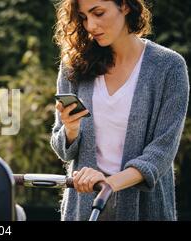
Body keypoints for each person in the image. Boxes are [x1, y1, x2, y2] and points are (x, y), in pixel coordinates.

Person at [50, 0, 189, 221]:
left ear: (124, 6)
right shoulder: (74, 65)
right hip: (83, 208)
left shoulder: (169, 67)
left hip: (144, 208)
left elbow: (162, 151)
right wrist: (71, 129)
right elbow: (63, 151)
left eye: (98, 13)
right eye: (84, 17)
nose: (91, 26)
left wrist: (108, 184)